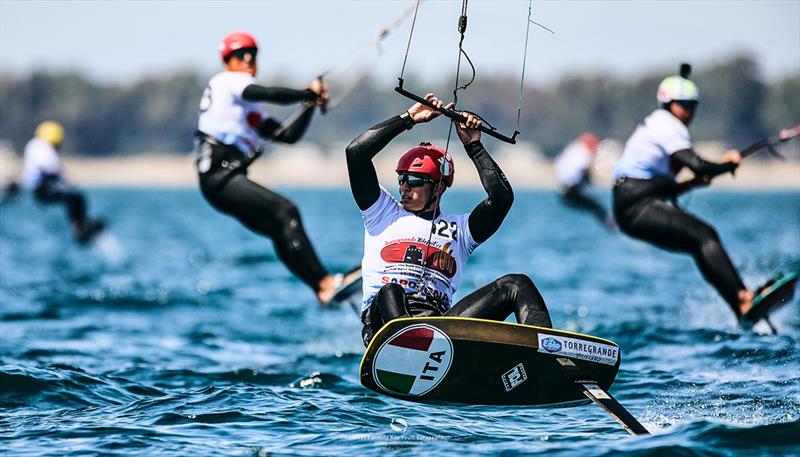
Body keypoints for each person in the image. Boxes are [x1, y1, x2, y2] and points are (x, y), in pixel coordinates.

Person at [345, 93, 553, 346]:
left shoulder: (461, 230)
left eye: (414, 181)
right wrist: (408, 118)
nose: (404, 188)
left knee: (516, 284)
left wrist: (474, 146)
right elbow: (355, 154)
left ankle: (547, 352)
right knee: (391, 291)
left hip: (438, 329)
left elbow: (501, 199)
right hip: (385, 326)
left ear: (439, 187)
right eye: (402, 179)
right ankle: (410, 346)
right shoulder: (381, 211)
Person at [195, 31, 360, 306]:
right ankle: (325, 283)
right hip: (219, 176)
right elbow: (268, 92)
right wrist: (306, 92)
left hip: (224, 178)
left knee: (279, 227)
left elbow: (287, 135)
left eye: (252, 53)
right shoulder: (227, 82)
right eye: (239, 54)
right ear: (227, 61)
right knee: (287, 211)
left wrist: (309, 104)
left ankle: (322, 290)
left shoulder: (246, 106)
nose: (247, 58)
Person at [612, 64, 764, 319]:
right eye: (684, 104)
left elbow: (660, 184)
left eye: (693, 105)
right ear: (669, 104)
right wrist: (729, 163)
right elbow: (697, 164)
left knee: (699, 243)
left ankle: (740, 306)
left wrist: (690, 184)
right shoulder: (667, 125)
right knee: (706, 235)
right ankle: (741, 297)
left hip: (633, 205)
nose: (689, 111)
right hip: (635, 205)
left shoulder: (658, 124)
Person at [22, 120, 104, 243]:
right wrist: (67, 178)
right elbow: (50, 168)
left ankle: (81, 226)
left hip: (42, 189)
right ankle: (80, 229)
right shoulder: (41, 147)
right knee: (74, 198)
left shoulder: (35, 145)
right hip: (43, 189)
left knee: (74, 198)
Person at [554, 132, 614, 228]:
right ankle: (613, 225)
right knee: (596, 207)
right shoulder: (583, 154)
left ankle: (611, 224)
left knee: (594, 206)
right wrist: (592, 181)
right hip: (570, 192)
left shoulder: (572, 149)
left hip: (562, 192)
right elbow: (584, 170)